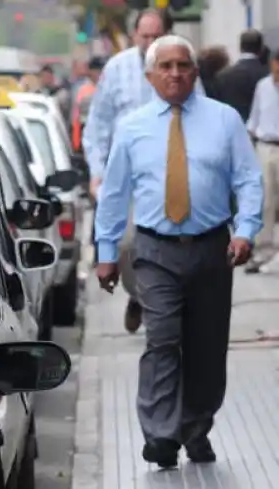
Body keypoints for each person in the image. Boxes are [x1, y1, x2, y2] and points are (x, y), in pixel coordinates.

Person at [94, 35, 263, 469]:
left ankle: (196, 426)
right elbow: (114, 195)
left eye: (182, 65)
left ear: (194, 72)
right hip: (155, 251)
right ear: (150, 76)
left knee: (206, 347)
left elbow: (248, 180)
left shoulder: (224, 121)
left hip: (212, 249)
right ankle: (161, 435)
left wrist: (245, 231)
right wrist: (107, 251)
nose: (174, 74)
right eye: (164, 66)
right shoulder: (132, 128)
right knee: (162, 340)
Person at [83, 8, 205, 335]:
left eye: (157, 36)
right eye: (145, 36)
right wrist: (96, 173)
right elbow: (97, 127)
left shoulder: (183, 69)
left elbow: (202, 118)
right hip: (125, 178)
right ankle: (138, 295)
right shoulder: (116, 70)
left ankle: (157, 306)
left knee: (167, 246)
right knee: (125, 246)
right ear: (135, 35)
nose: (150, 42)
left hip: (170, 175)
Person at [245, 48, 279, 273]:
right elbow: (253, 118)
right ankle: (263, 251)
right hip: (266, 147)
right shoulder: (263, 87)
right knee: (265, 202)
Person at [214, 30, 269, 121]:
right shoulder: (267, 75)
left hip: (232, 125)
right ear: (261, 49)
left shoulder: (223, 75)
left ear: (240, 48)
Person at [71, 56, 105, 154]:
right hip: (86, 136)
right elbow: (76, 119)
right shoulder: (83, 90)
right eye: (97, 71)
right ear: (90, 72)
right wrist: (76, 144)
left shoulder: (107, 89)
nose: (99, 74)